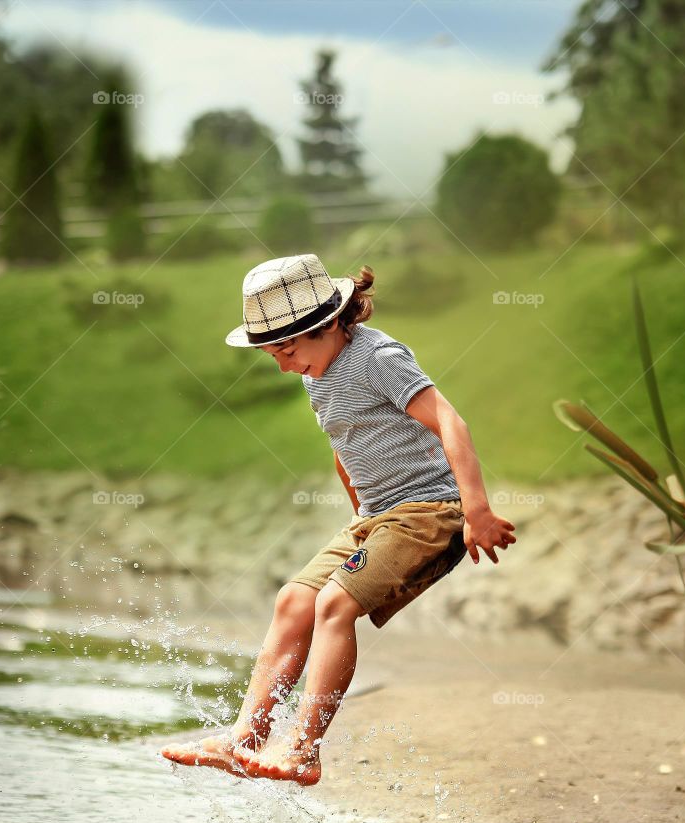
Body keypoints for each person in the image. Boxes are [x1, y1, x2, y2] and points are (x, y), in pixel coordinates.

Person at [161, 253, 515, 786]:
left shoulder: (378, 357)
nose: (282, 364)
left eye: (286, 349)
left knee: (333, 604)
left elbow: (450, 420)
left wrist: (477, 510)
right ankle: (245, 741)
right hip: (376, 517)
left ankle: (303, 749)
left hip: (431, 509)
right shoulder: (315, 374)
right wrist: (360, 515)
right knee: (293, 600)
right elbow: (343, 442)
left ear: (327, 325)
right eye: (271, 354)